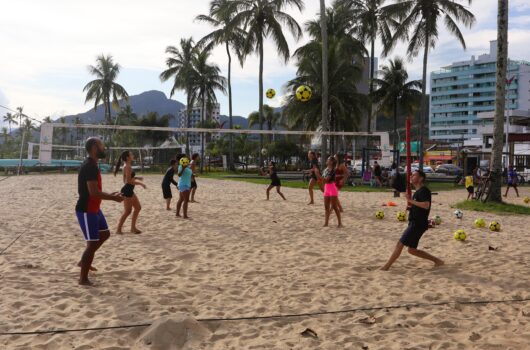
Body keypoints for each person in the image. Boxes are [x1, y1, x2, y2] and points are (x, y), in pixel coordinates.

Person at [75, 137, 124, 286]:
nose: (104, 148)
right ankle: (83, 279)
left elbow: (96, 192)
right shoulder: (90, 166)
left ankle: (84, 261)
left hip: (95, 208)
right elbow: (93, 192)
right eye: (102, 145)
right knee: (92, 244)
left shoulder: (93, 164)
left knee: (105, 234)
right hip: (86, 209)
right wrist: (113, 198)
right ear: (95, 147)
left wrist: (110, 195)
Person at [381, 170, 444, 271]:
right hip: (415, 223)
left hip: (418, 224)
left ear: (421, 178)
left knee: (400, 244)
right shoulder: (418, 192)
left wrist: (410, 200)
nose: (411, 177)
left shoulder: (424, 190)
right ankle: (438, 261)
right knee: (412, 250)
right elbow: (418, 206)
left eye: (414, 175)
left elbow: (426, 205)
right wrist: (410, 207)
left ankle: (386, 266)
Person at [115, 151, 146, 234]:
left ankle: (133, 228)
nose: (133, 155)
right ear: (128, 157)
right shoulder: (127, 166)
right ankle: (118, 229)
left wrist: (137, 177)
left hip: (129, 190)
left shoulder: (127, 166)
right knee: (128, 211)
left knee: (138, 208)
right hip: (127, 191)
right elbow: (128, 181)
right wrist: (140, 183)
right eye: (131, 154)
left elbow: (126, 179)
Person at [319, 156, 342, 227]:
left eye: (328, 159)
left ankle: (340, 223)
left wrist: (318, 175)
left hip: (332, 188)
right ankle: (326, 223)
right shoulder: (325, 170)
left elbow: (326, 179)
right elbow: (322, 180)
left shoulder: (333, 170)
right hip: (327, 188)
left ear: (331, 162)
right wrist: (322, 186)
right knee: (326, 207)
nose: (327, 160)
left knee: (334, 207)